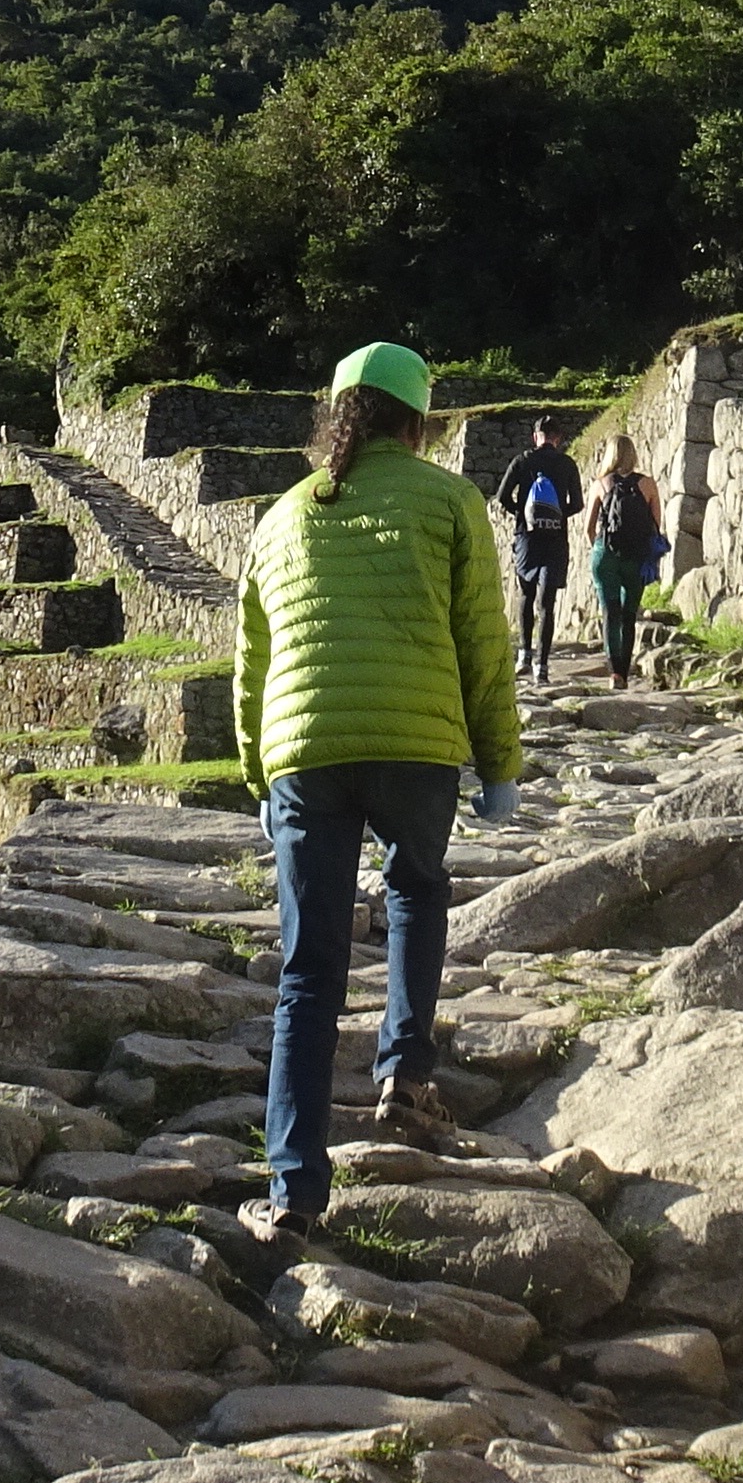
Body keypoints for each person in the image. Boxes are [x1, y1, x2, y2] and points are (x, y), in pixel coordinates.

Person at [233, 340, 523, 1238]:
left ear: (336, 416)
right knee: (417, 888)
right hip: (415, 742)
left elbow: (251, 661)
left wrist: (257, 771)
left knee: (308, 971)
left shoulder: (282, 515)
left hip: (305, 752)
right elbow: (482, 643)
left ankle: (294, 1189)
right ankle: (403, 1066)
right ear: (418, 423)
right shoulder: (450, 501)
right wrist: (499, 765)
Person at [494, 417, 585, 681]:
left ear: (536, 437)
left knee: (526, 594)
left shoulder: (522, 461)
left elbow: (502, 496)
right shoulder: (567, 464)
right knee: (547, 603)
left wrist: (521, 514)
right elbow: (578, 504)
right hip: (555, 540)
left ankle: (524, 654)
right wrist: (558, 515)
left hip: (527, 538)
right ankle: (542, 667)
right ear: (558, 438)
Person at [586, 433, 668, 688]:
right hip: (636, 556)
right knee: (629, 614)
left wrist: (600, 548)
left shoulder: (600, 484)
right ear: (632, 454)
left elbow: (589, 528)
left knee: (610, 612)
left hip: (605, 554)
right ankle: (624, 670)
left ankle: (615, 674)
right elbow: (656, 525)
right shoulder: (648, 484)